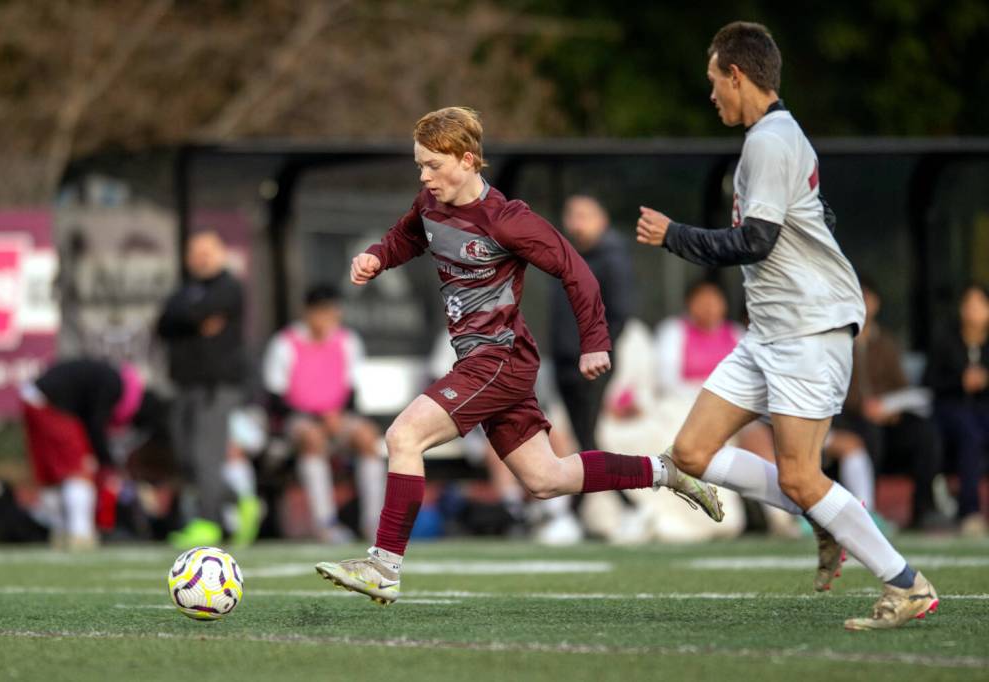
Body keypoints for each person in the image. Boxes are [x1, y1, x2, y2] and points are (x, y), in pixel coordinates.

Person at [315, 106, 723, 604]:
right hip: (482, 363)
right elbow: (408, 236)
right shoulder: (431, 204)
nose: (424, 176)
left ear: (467, 161)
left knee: (403, 436)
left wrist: (595, 341)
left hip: (498, 360)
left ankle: (384, 565)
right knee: (546, 479)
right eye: (419, 165)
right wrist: (378, 255)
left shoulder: (509, 220)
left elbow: (577, 271)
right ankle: (666, 471)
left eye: (433, 165)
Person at [635, 22, 936, 630]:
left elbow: (754, 240)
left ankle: (908, 585)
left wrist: (674, 236)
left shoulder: (770, 140)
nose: (712, 93)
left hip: (807, 330)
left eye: (714, 81)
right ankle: (830, 519)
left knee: (801, 477)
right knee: (691, 453)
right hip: (771, 332)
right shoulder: (774, 139)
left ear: (737, 75)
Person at [541, 194, 639, 543]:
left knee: (588, 438)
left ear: (602, 219)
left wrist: (596, 352)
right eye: (571, 215)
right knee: (583, 440)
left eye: (584, 215)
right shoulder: (565, 257)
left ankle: (624, 508)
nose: (576, 222)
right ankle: (613, 511)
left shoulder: (612, 258)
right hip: (563, 361)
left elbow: (621, 313)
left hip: (593, 364)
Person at [156, 230, 258, 548]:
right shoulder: (184, 291)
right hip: (184, 385)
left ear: (221, 254)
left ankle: (210, 523)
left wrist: (186, 321)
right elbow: (164, 323)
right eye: (195, 251)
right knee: (186, 458)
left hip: (217, 386)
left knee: (206, 456)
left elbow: (185, 317)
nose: (201, 258)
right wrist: (193, 323)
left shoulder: (230, 288)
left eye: (207, 251)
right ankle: (239, 501)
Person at [262, 284, 385, 542]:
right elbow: (275, 399)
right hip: (298, 421)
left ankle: (373, 522)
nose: (328, 318)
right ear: (308, 313)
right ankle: (325, 524)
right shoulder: (284, 343)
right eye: (322, 312)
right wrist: (318, 417)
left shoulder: (348, 341)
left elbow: (352, 391)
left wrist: (336, 416)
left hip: (337, 417)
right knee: (312, 438)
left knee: (366, 437)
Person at [824, 277, 944, 530]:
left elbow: (901, 388)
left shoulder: (886, 343)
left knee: (925, 433)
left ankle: (923, 509)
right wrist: (865, 407)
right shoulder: (836, 341)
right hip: (850, 418)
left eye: (868, 298)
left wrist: (890, 409)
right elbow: (832, 389)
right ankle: (870, 510)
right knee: (869, 433)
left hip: (887, 417)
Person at [20, 358, 161, 549]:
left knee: (52, 475)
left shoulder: (108, 377)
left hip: (32, 398)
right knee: (79, 470)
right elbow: (96, 424)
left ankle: (60, 530)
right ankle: (80, 533)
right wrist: (105, 461)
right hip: (51, 402)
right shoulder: (113, 385)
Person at [926, 282, 989, 536]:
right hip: (951, 410)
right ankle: (970, 511)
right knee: (969, 433)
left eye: (979, 305)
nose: (972, 310)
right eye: (968, 304)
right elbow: (929, 381)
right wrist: (959, 381)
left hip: (984, 409)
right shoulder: (945, 339)